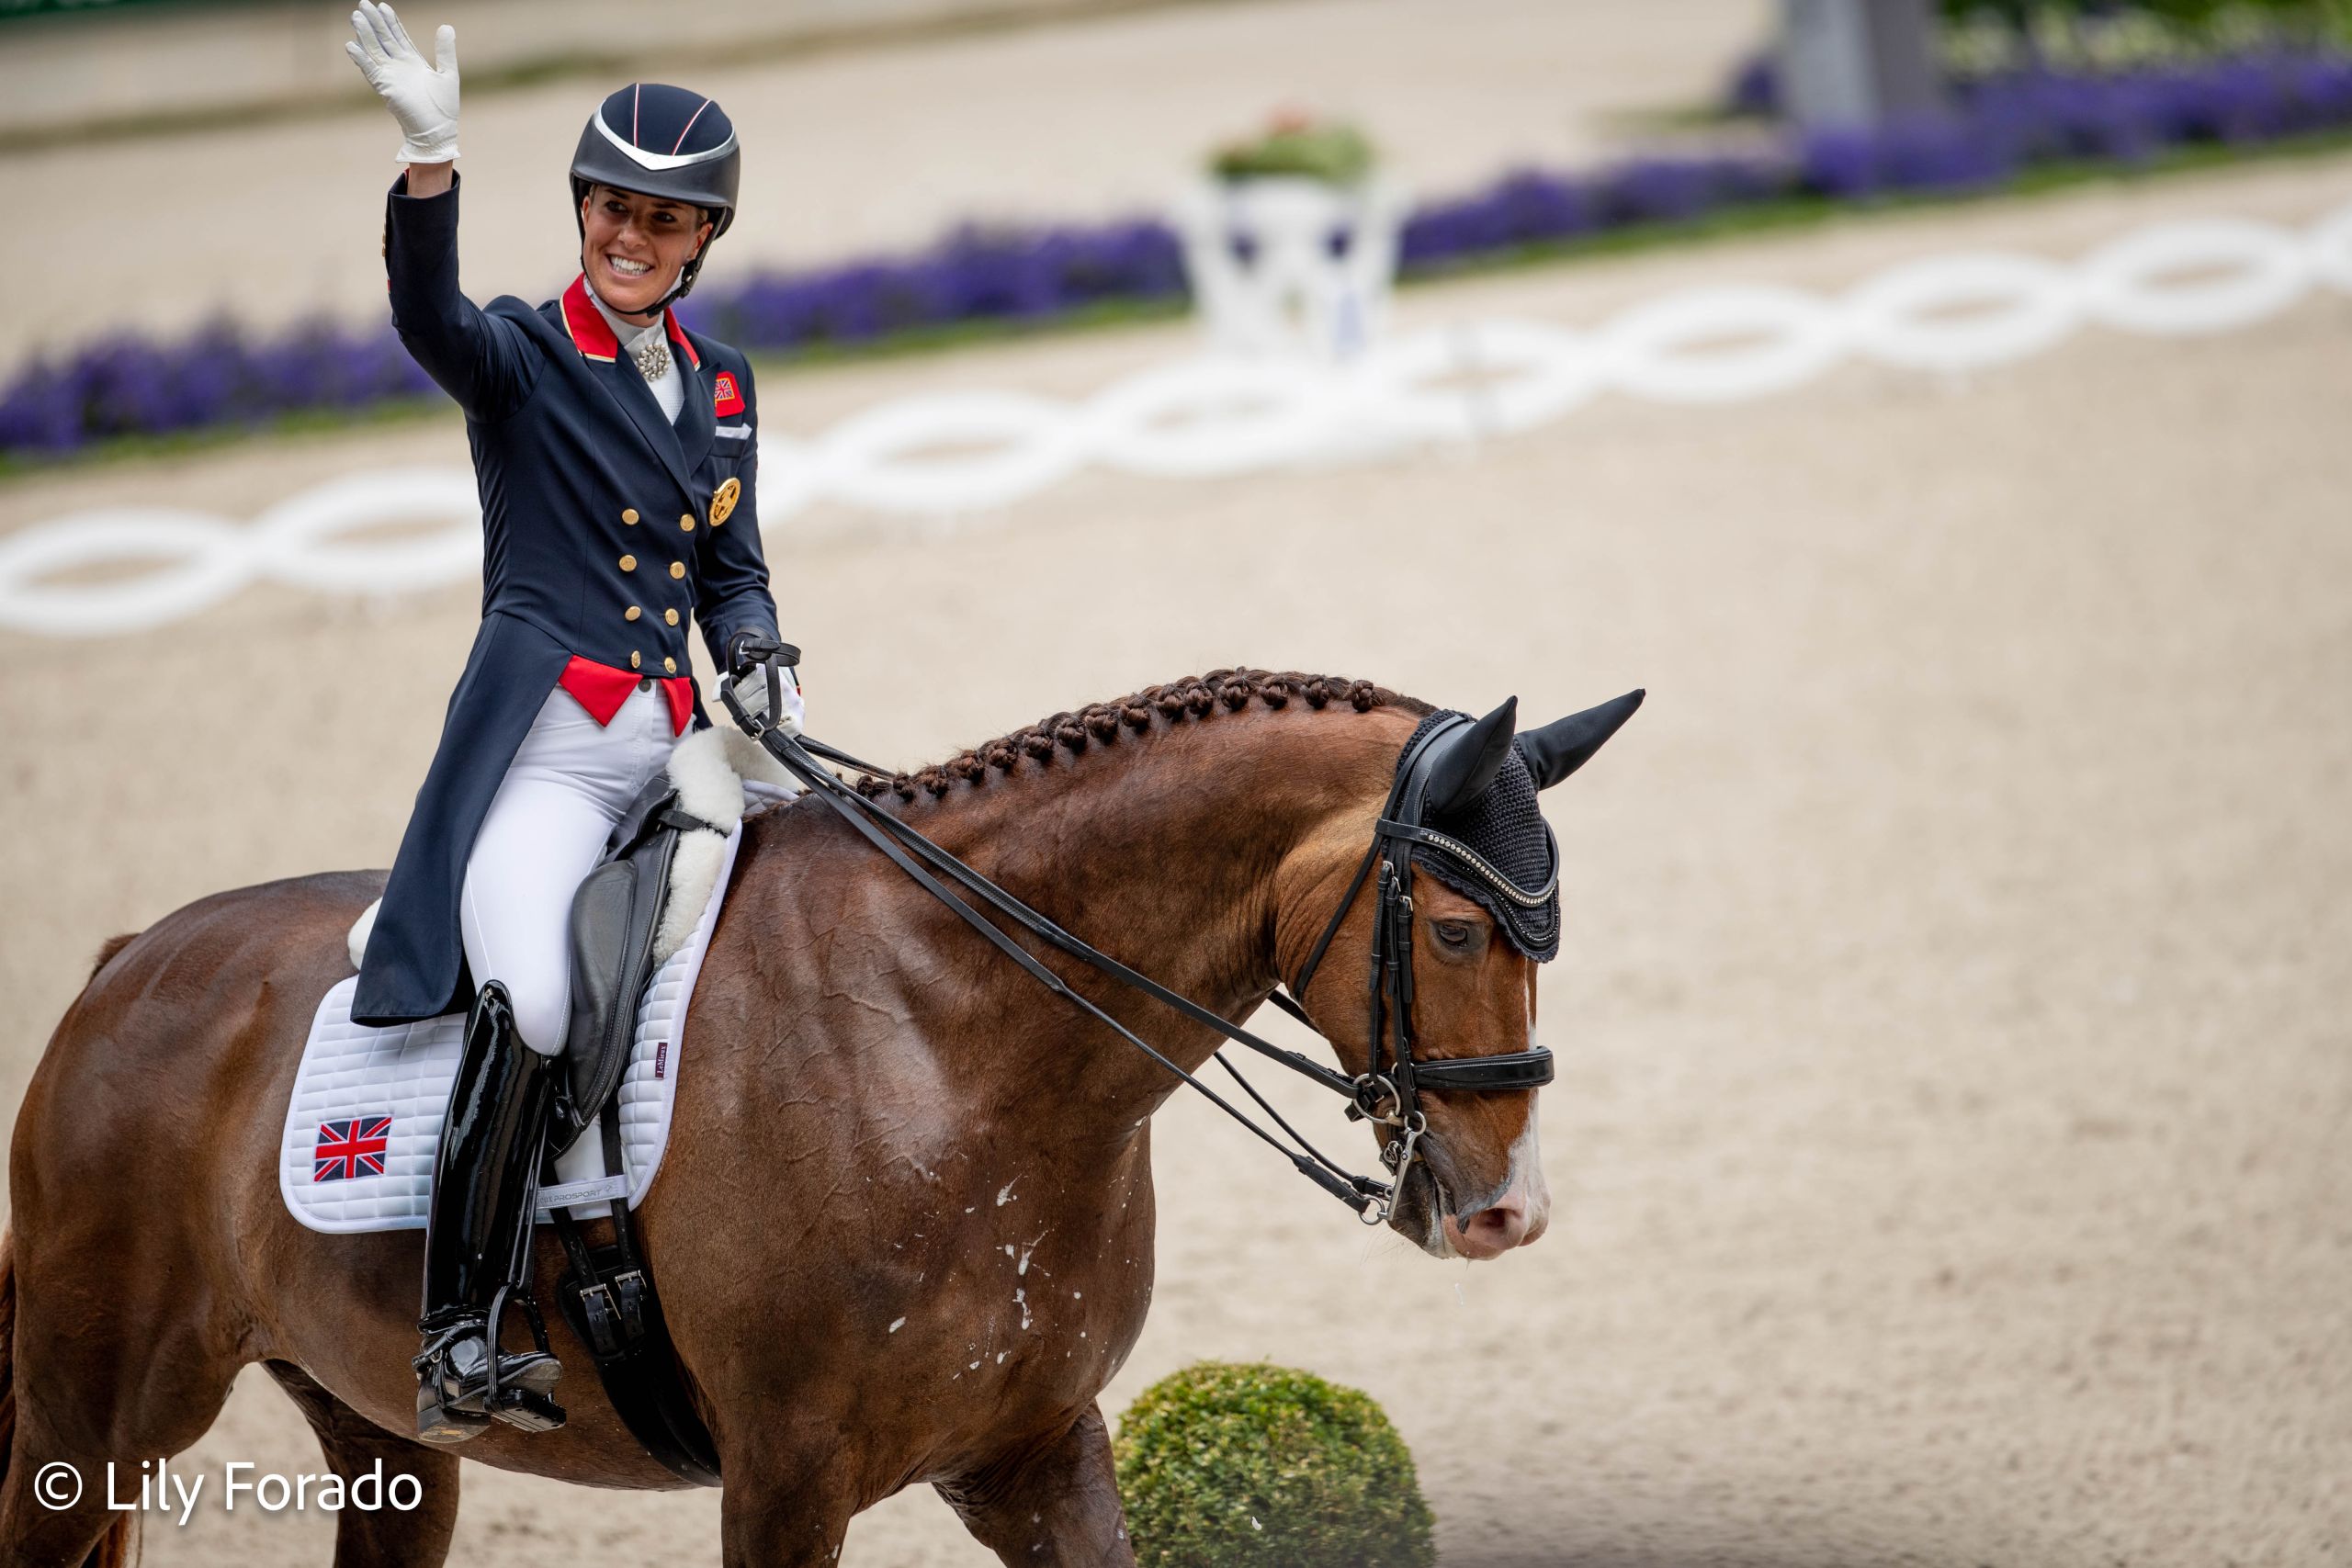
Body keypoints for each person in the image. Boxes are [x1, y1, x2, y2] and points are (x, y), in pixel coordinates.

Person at [343, 1, 797, 1443]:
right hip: (548, 759)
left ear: (701, 243)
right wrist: (430, 164)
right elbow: (431, 319)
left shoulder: (721, 385)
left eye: (664, 224)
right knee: (535, 1002)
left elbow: (729, 559)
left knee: (824, 926)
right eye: (613, 210)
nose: (632, 239)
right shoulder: (528, 360)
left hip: (676, 752)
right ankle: (459, 1325)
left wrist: (760, 657)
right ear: (585, 212)